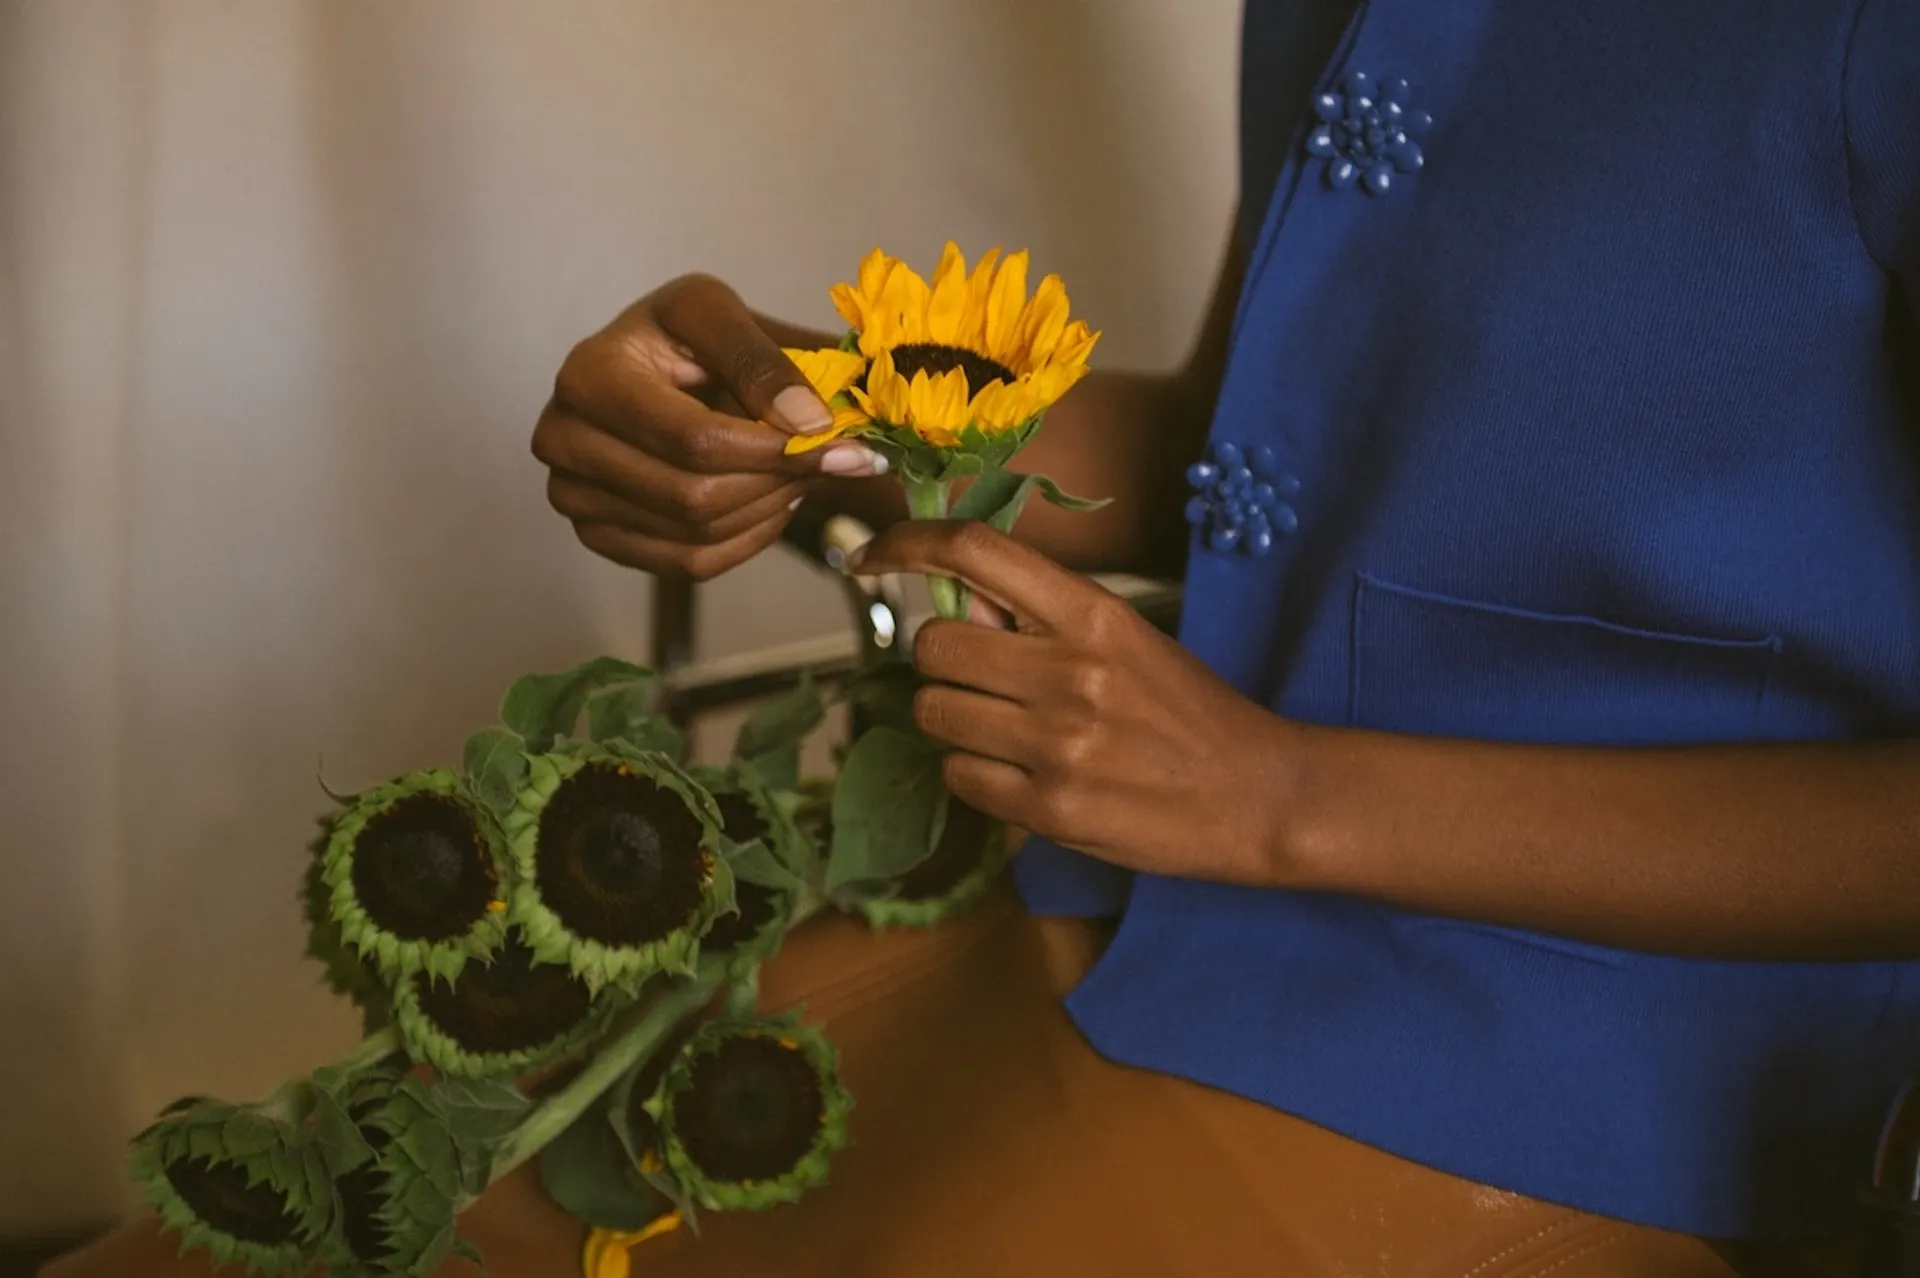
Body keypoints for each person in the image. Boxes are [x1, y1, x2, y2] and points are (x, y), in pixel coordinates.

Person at [44, 0, 1917, 1275]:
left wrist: (1280, 795)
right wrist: (807, 412)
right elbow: (1306, 436)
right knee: (250, 1232)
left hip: (1596, 1073)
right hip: (1119, 905)